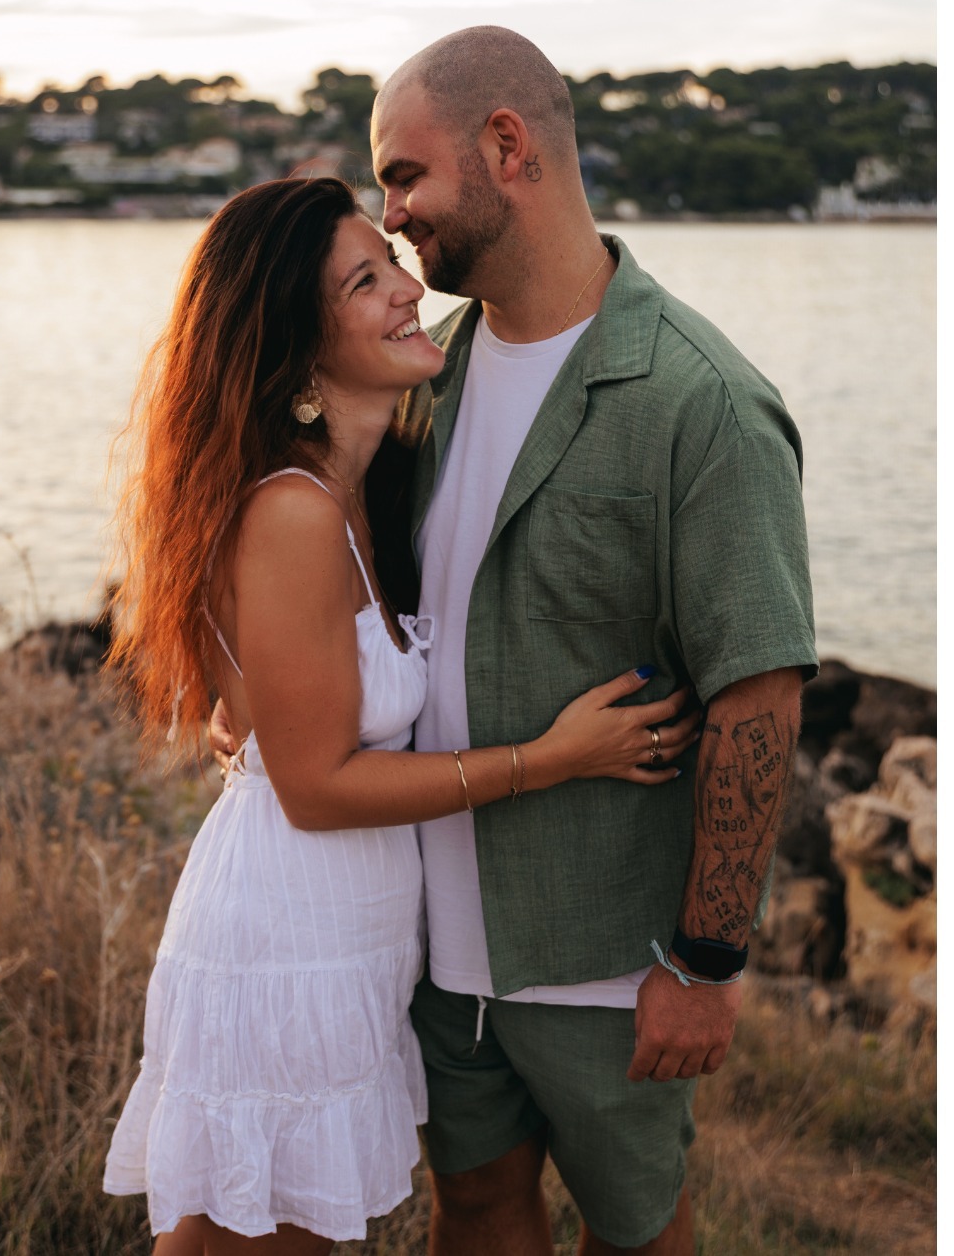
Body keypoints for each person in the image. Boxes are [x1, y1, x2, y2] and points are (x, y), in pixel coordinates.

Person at [214, 28, 817, 1254]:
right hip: (432, 942)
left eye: (405, 176)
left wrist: (705, 959)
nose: (396, 215)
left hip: (603, 947)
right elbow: (336, 573)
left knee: (638, 1231)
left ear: (507, 146)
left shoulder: (697, 399)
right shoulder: (427, 379)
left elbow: (761, 693)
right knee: (477, 1207)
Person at [102, 175, 699, 1255]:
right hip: (289, 938)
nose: (408, 289)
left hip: (349, 937)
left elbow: (273, 713)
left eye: (391, 264)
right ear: (296, 340)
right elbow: (319, 784)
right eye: (365, 281)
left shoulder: (355, 496)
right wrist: (552, 758)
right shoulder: (290, 510)